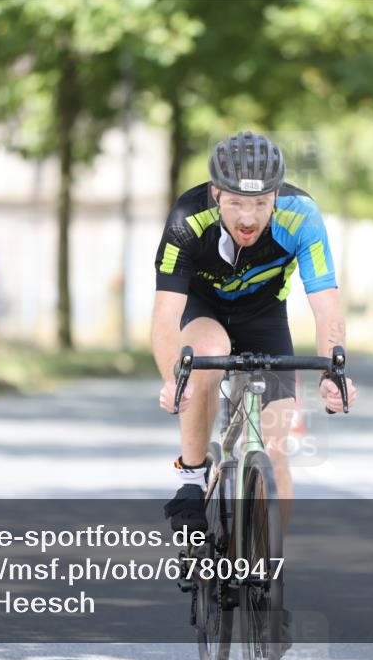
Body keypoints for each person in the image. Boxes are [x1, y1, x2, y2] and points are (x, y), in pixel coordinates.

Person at [152, 131, 357, 533]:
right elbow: (164, 314)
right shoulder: (186, 220)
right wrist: (171, 379)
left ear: (276, 197)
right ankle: (192, 478)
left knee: (274, 449)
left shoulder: (302, 217)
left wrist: (334, 373)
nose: (248, 218)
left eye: (260, 204)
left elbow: (326, 303)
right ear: (216, 195)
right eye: (236, 204)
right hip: (204, 310)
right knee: (206, 351)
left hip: (265, 317)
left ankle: (267, 570)